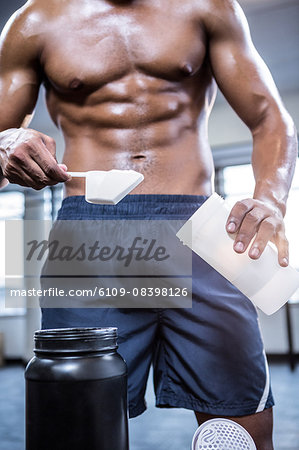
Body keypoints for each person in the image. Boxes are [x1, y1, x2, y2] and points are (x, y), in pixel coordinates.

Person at [0, 0, 297, 448]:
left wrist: (271, 200)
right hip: (88, 235)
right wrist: (5, 143)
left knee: (243, 429)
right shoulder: (34, 21)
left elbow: (270, 117)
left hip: (200, 231)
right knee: (74, 428)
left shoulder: (210, 7)